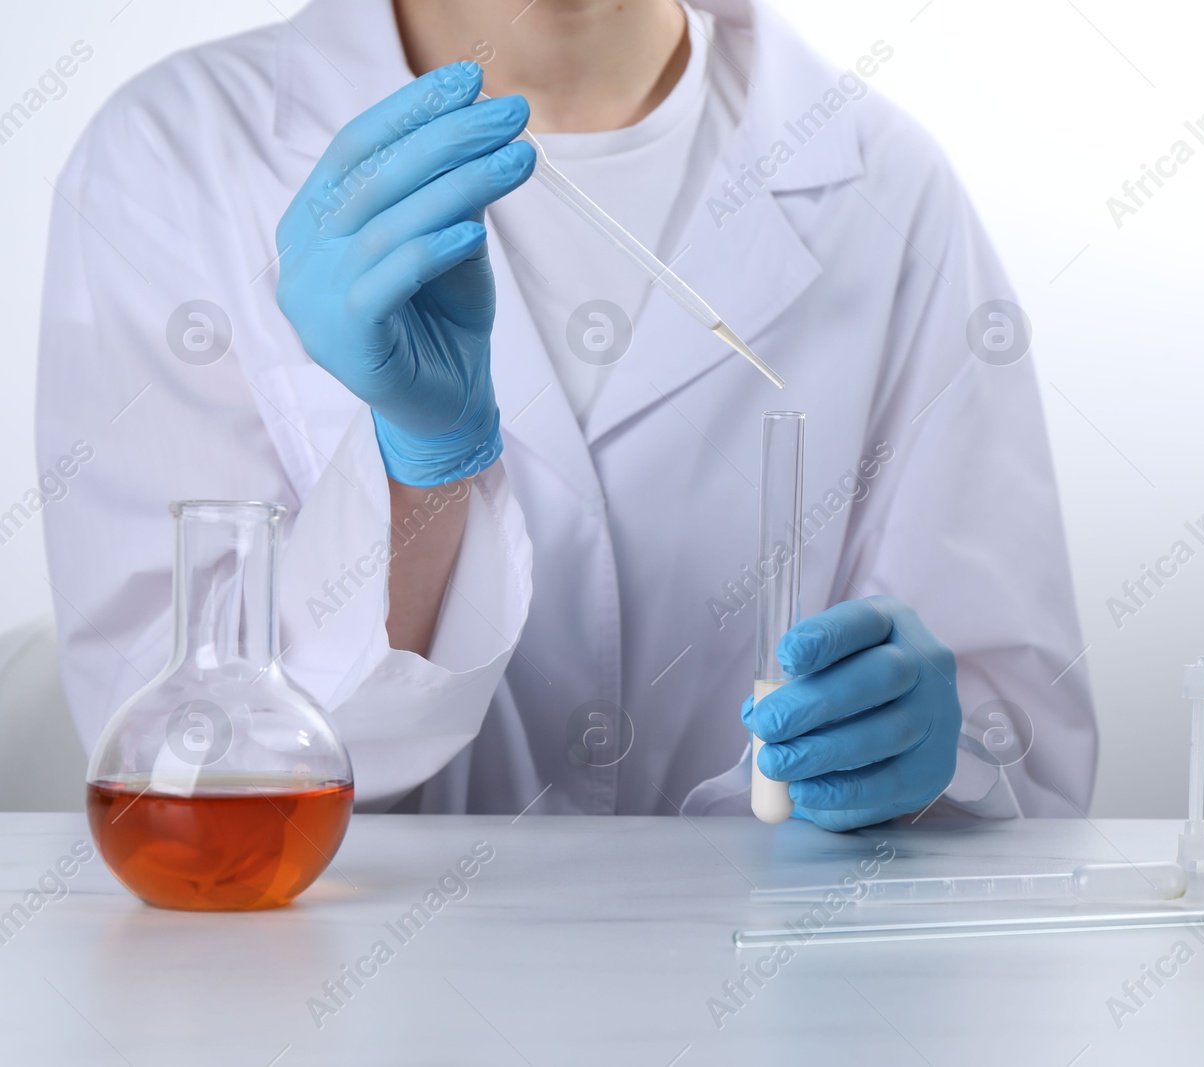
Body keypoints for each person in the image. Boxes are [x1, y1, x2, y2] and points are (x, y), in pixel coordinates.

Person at [37, 0, 1095, 829]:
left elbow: (1023, 749)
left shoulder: (884, 183)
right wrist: (423, 469)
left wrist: (926, 765)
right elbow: (173, 755)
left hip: (769, 997)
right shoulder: (172, 157)